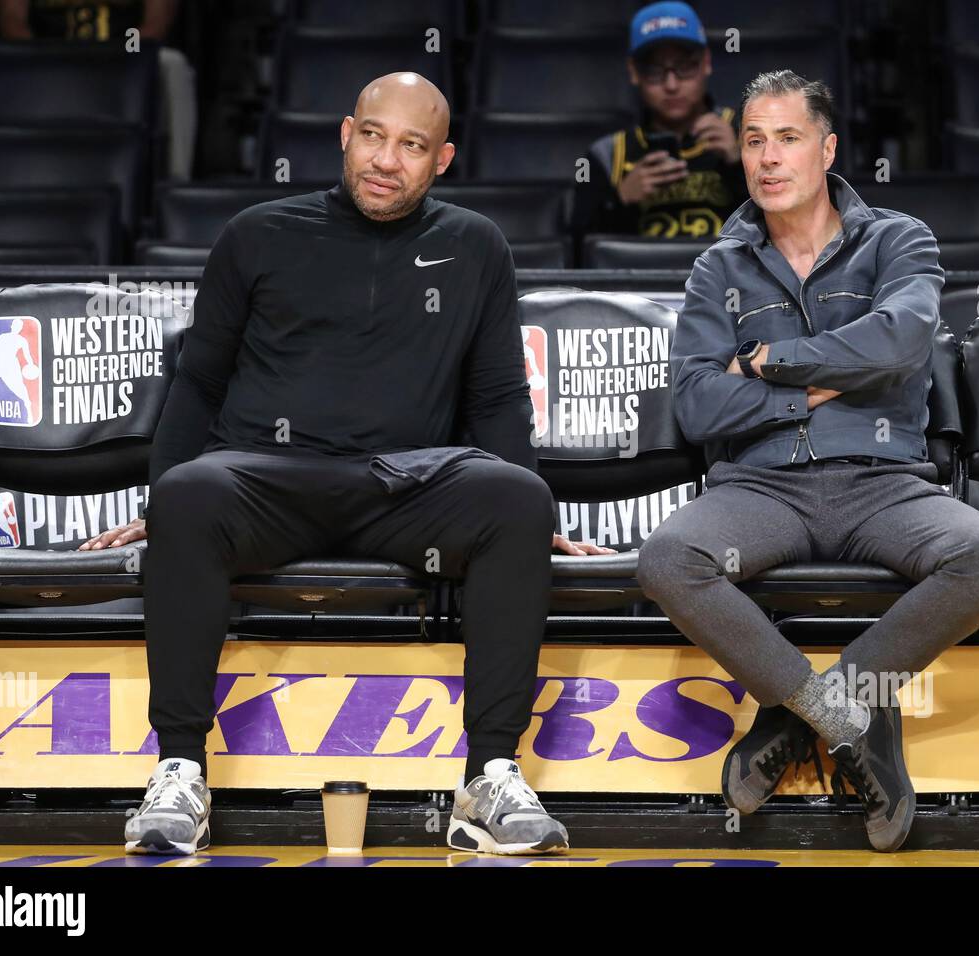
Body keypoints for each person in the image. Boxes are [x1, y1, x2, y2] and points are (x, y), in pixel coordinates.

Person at [81, 72, 611, 857]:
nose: (385, 160)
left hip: (408, 486)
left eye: (411, 145)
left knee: (519, 501)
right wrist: (162, 497)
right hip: (267, 480)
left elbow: (499, 397)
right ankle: (180, 770)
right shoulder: (258, 233)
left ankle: (489, 776)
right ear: (344, 134)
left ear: (443, 159)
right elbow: (196, 383)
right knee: (190, 495)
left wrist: (534, 508)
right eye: (373, 135)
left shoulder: (474, 246)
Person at [636, 70, 979, 852]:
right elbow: (700, 405)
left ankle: (795, 711)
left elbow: (903, 342)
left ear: (827, 148)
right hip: (761, 487)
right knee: (669, 558)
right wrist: (815, 392)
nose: (768, 158)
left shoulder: (898, 239)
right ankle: (853, 722)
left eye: (787, 138)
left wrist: (768, 361)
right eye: (753, 141)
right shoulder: (719, 266)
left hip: (884, 485)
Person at [572, 1, 748, 241]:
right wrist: (621, 201)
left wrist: (738, 165)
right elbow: (579, 251)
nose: (671, 85)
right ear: (634, 72)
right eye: (654, 70)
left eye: (685, 67)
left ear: (706, 62)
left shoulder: (748, 133)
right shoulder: (609, 155)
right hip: (642, 277)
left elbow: (786, 231)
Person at [0, 0, 198, 180]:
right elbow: (12, 20)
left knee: (173, 65)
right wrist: (46, 58)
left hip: (125, 54)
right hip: (49, 56)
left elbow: (157, 21)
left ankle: (176, 179)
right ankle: (1, 181)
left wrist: (118, 55)